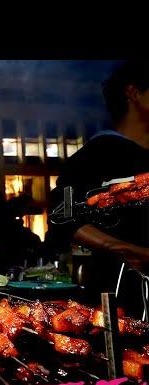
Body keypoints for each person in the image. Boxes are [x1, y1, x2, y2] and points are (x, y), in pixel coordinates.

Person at [48, 61, 149, 314]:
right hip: (126, 302)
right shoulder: (100, 152)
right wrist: (128, 251)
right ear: (133, 93)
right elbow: (62, 216)